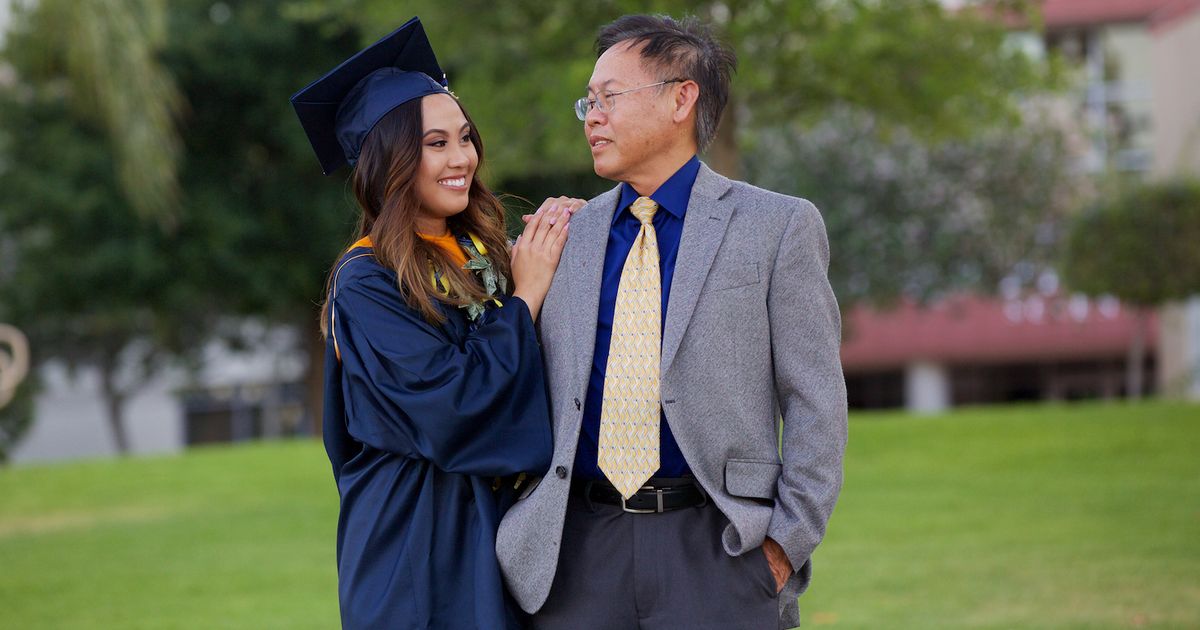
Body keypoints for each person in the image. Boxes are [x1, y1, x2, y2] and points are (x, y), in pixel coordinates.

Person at [497, 14, 848, 629]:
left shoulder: (776, 228)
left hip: (719, 554)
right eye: (589, 101)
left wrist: (783, 547)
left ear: (682, 98)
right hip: (577, 555)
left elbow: (816, 400)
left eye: (610, 97)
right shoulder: (563, 238)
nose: (592, 117)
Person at [291, 18, 579, 629]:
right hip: (414, 539)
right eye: (436, 143)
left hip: (504, 529)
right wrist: (525, 298)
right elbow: (451, 402)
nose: (463, 158)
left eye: (466, 137)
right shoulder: (367, 281)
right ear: (390, 159)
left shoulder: (486, 253)